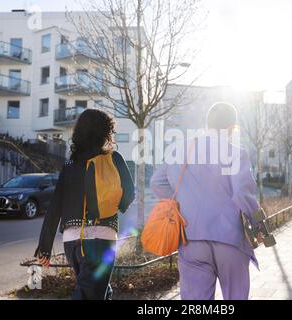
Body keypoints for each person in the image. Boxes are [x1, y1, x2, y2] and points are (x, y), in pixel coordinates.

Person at [150, 102, 260, 300]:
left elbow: (157, 182)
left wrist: (182, 201)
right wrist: (258, 224)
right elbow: (243, 195)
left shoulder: (180, 150)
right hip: (230, 239)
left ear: (208, 124)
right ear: (231, 127)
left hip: (191, 240)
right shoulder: (236, 152)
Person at [34, 109, 135, 300]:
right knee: (90, 294)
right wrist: (115, 206)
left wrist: (45, 247)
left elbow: (55, 206)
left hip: (71, 242)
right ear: (105, 132)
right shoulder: (114, 159)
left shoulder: (70, 165)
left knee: (101, 292)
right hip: (101, 239)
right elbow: (129, 194)